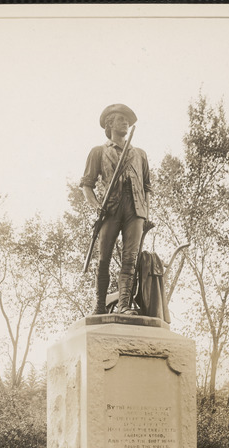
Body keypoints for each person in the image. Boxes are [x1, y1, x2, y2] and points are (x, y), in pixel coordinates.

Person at [80, 103, 152, 315]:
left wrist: (146, 211)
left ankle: (123, 305)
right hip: (110, 209)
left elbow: (147, 186)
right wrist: (96, 207)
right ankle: (99, 305)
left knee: (131, 259)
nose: (126, 123)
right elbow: (87, 185)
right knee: (104, 259)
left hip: (135, 209)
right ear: (110, 123)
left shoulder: (140, 154)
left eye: (128, 120)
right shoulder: (98, 152)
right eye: (121, 119)